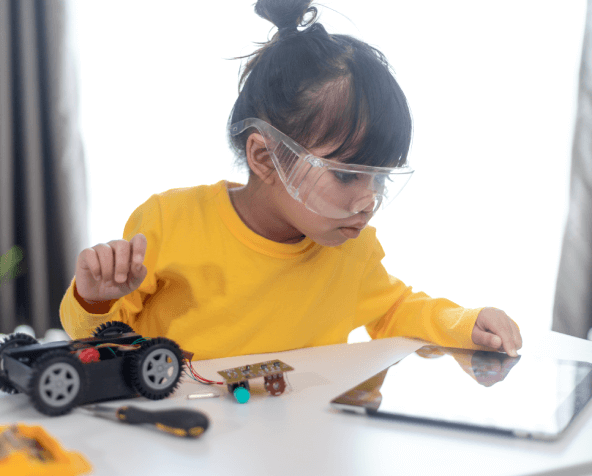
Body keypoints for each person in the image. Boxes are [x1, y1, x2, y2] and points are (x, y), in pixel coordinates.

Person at [60, 0, 523, 361]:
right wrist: (95, 300)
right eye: (346, 174)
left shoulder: (351, 250)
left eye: (380, 179)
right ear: (264, 156)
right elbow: (91, 340)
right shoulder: (170, 222)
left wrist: (465, 322)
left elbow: (397, 311)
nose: (368, 201)